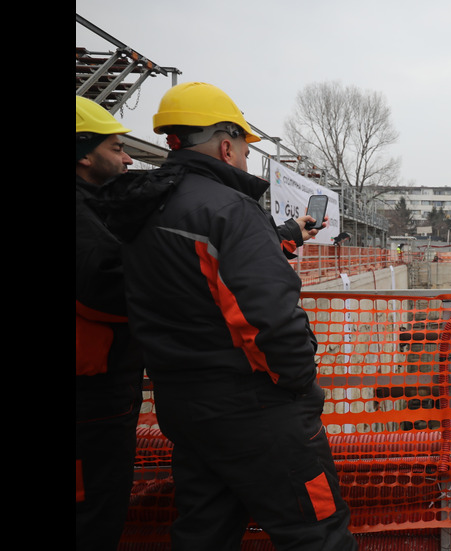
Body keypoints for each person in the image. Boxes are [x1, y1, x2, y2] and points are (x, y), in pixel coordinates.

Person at [97, 82, 357, 551]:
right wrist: (298, 386)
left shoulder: (145, 207)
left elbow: (195, 278)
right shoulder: (229, 209)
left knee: (205, 531)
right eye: (242, 148)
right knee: (317, 532)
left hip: (184, 404)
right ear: (225, 144)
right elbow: (270, 321)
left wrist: (283, 236)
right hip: (254, 408)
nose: (242, 158)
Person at [76, 96, 144, 551]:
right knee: (96, 505)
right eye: (117, 147)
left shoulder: (93, 208)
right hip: (93, 389)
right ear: (84, 153)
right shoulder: (82, 215)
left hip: (96, 379)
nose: (128, 157)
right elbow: (104, 290)